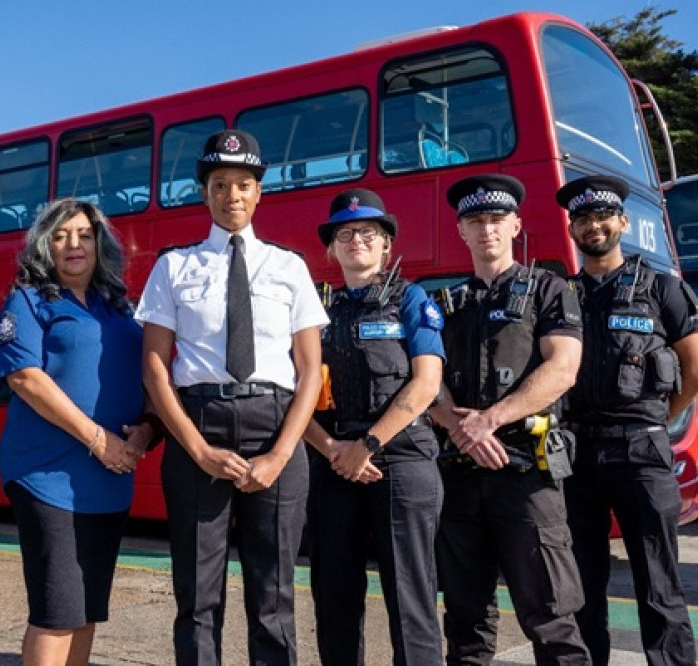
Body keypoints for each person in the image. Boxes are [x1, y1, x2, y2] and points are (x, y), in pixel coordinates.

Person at [136, 129, 328, 666]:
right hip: (200, 424)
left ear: (259, 192)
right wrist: (197, 451)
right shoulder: (173, 267)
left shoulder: (289, 267)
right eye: (220, 185)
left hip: (275, 424)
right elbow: (155, 368)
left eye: (243, 184)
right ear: (206, 194)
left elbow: (309, 371)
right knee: (197, 593)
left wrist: (281, 454)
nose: (232, 195)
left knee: (275, 592)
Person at [429, 174, 591, 665]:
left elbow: (562, 368)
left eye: (497, 220)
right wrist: (462, 429)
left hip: (526, 476)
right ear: (460, 230)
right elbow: (427, 380)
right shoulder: (445, 300)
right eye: (475, 221)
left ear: (516, 224)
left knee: (551, 615)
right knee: (465, 618)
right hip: (459, 474)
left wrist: (489, 420)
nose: (487, 230)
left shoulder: (549, 289)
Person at [0, 198, 159, 665]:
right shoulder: (27, 299)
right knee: (56, 611)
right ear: (45, 244)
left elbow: (150, 379)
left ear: (100, 242)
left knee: (86, 611)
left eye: (84, 234)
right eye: (61, 235)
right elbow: (24, 376)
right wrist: (97, 438)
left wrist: (142, 433)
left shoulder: (119, 309)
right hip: (46, 477)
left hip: (109, 482)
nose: (73, 244)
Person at [558, 175, 698, 666]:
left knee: (658, 585)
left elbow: (697, 374)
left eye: (602, 216)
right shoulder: (563, 295)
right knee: (581, 586)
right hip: (578, 456)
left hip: (641, 453)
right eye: (582, 218)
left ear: (622, 221)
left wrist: (653, 421)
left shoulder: (663, 289)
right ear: (573, 228)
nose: (593, 226)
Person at [303, 188, 446, 665]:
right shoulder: (314, 310)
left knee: (411, 599)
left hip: (401, 464)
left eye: (369, 232)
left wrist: (366, 445)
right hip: (333, 464)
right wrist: (334, 451)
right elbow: (296, 396)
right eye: (344, 233)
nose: (356, 240)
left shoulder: (412, 299)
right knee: (334, 596)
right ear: (331, 248)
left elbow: (426, 384)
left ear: (387, 244)